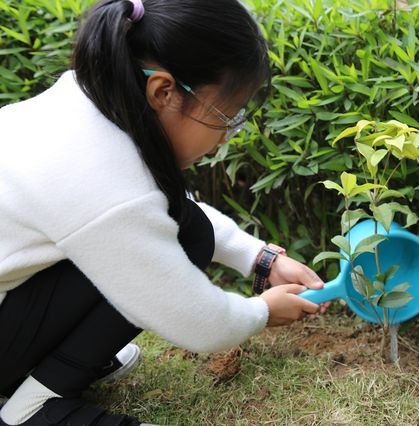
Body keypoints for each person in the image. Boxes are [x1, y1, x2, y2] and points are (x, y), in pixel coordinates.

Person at [0, 0, 325, 424]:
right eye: (225, 115)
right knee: (180, 238)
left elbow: (161, 211)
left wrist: (260, 257)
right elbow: (198, 320)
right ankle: (33, 408)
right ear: (163, 92)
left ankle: (46, 368)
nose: (226, 136)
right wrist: (261, 311)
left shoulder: (85, 99)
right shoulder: (99, 179)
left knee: (190, 229)